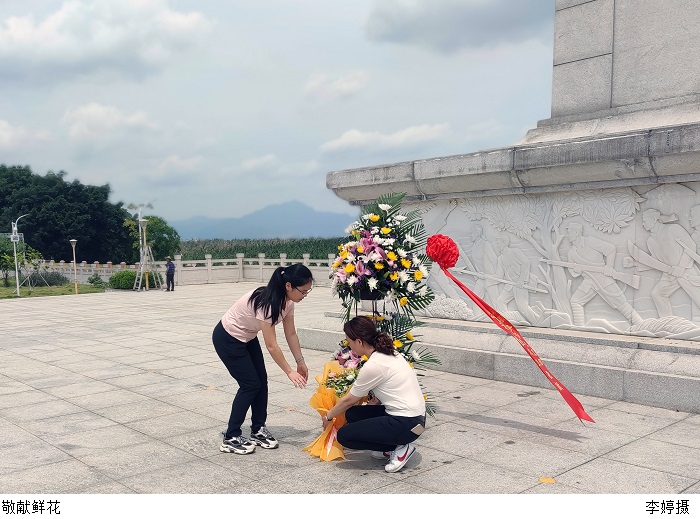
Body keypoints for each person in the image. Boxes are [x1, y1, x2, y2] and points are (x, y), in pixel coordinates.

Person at [212, 264, 312, 454]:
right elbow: (272, 345)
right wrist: (289, 371)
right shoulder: (267, 303)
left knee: (261, 381)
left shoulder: (288, 302)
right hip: (228, 337)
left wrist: (300, 362)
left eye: (308, 291)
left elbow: (291, 333)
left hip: (247, 337)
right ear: (289, 286)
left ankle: (258, 429)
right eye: (303, 291)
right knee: (250, 385)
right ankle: (231, 437)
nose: (305, 295)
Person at [323, 316, 426, 473]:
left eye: (349, 342)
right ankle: (388, 447)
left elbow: (349, 400)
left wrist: (328, 416)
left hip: (406, 423)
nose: (349, 346)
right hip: (416, 419)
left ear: (359, 342)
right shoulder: (389, 352)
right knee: (352, 414)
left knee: (344, 436)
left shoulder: (374, 365)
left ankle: (398, 448)